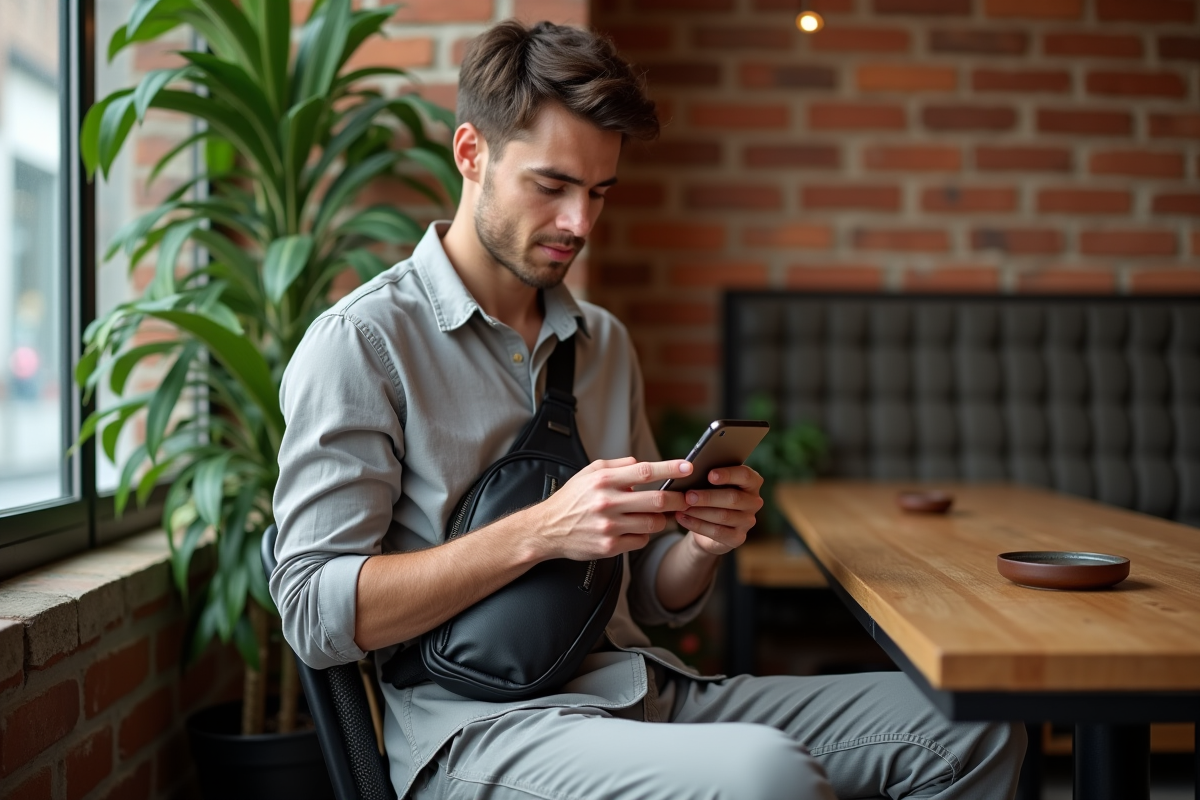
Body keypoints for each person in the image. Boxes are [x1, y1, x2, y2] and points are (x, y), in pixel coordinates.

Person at [270, 20, 1026, 800]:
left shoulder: (601, 342)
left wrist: (701, 543)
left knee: (973, 727)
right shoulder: (363, 343)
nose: (580, 224)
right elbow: (312, 611)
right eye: (552, 186)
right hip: (482, 731)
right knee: (767, 778)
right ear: (471, 153)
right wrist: (540, 530)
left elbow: (645, 598)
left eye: (599, 192)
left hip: (644, 695)